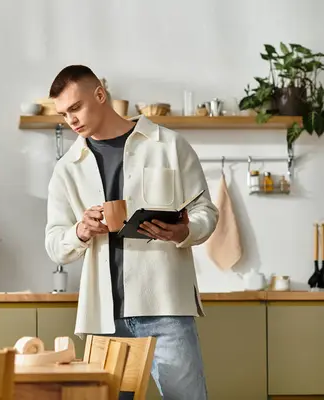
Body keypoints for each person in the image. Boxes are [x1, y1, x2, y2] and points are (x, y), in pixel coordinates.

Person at [44, 65, 219, 400]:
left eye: (76, 107)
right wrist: (81, 230)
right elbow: (55, 244)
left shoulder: (168, 144)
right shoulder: (67, 167)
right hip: (104, 318)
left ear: (100, 94)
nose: (72, 120)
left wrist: (182, 231)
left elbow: (205, 212)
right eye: (64, 114)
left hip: (165, 307)